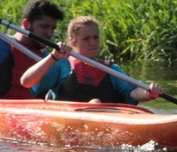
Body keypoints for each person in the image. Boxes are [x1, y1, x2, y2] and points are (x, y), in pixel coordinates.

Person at [21, 16, 163, 104]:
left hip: (103, 119)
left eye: (95, 37)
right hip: (67, 120)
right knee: (95, 103)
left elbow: (133, 93)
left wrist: (149, 93)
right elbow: (26, 82)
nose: (92, 42)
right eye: (86, 39)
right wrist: (52, 57)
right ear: (73, 41)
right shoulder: (62, 65)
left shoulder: (112, 69)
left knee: (96, 103)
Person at [0, 0, 65, 98]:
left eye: (53, 29)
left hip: (25, 112)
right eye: (44, 26)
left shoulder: (49, 59)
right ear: (26, 24)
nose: (49, 33)